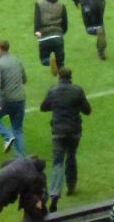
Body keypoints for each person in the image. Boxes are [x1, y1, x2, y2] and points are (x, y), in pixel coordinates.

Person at [40, 66, 92, 213]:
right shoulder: (77, 90)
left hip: (58, 131)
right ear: (71, 77)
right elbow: (87, 110)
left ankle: (55, 192)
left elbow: (43, 107)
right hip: (74, 130)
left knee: (57, 161)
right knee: (71, 156)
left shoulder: (53, 90)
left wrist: (56, 106)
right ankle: (71, 185)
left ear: (59, 77)